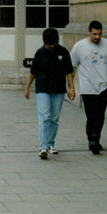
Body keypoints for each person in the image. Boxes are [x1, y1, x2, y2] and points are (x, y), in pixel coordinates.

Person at [71, 20, 107, 154]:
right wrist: (71, 86)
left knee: (100, 115)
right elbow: (73, 67)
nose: (97, 37)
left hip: (104, 86)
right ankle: (92, 139)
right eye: (94, 34)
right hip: (87, 86)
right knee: (91, 114)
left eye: (99, 34)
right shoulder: (79, 46)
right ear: (89, 32)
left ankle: (96, 138)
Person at [24, 28, 75, 159]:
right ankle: (43, 146)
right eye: (49, 45)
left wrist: (71, 87)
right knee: (44, 116)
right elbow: (33, 71)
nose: (52, 47)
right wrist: (28, 87)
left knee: (54, 117)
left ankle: (50, 143)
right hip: (43, 87)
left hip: (58, 88)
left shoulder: (63, 52)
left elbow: (69, 71)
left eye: (54, 44)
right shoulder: (40, 53)